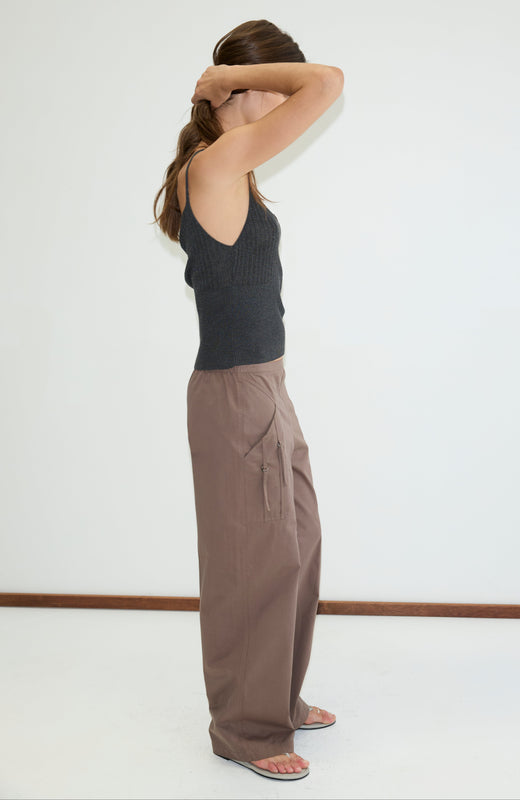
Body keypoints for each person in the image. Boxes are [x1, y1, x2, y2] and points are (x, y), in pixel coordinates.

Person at [153, 19, 344, 781]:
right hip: (235, 394)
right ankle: (244, 726)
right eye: (276, 81)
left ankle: (279, 696)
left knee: (295, 545)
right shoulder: (219, 160)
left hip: (265, 384)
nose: (288, 98)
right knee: (252, 564)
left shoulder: (236, 166)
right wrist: (218, 80)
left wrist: (236, 85)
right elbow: (328, 83)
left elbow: (314, 83)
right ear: (240, 84)